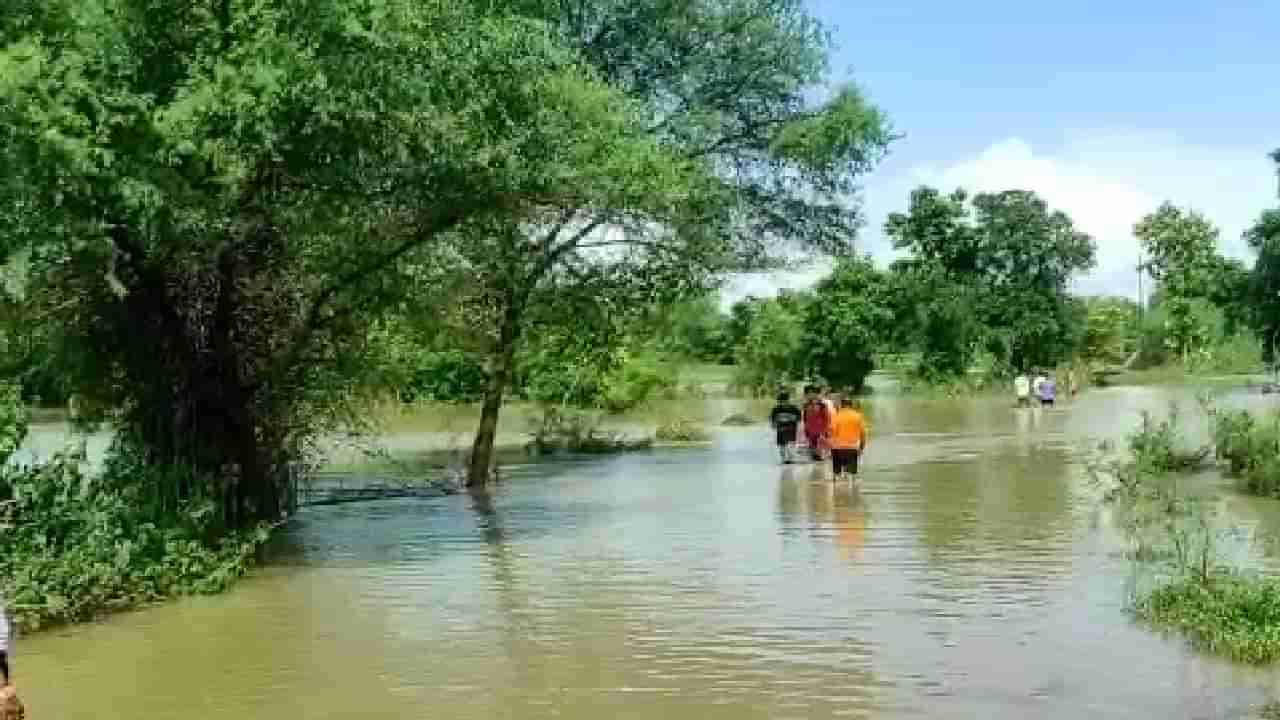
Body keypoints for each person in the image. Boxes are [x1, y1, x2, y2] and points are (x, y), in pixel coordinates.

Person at [828, 395, 868, 479]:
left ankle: (836, 484)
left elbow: (831, 433)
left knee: (836, 474)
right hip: (852, 447)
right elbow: (863, 434)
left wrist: (830, 449)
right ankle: (851, 487)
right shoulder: (858, 416)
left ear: (841, 405)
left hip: (837, 448)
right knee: (852, 474)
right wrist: (861, 447)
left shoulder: (836, 416)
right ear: (851, 405)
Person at [769, 391, 802, 464]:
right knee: (782, 445)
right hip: (780, 429)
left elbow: (799, 417)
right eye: (780, 401)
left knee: (791, 444)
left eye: (784, 401)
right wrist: (773, 424)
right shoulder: (776, 409)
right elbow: (772, 418)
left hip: (791, 429)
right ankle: (783, 459)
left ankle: (790, 458)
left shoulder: (794, 408)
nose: (782, 403)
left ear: (788, 400)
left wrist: (795, 420)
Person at [801, 385, 831, 462]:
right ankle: (815, 457)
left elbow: (826, 417)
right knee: (812, 446)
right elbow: (804, 418)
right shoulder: (806, 405)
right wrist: (805, 428)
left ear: (816, 394)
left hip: (820, 429)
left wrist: (826, 429)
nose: (810, 395)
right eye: (808, 393)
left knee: (819, 445)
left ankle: (820, 456)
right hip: (810, 429)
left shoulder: (822, 405)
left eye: (812, 393)